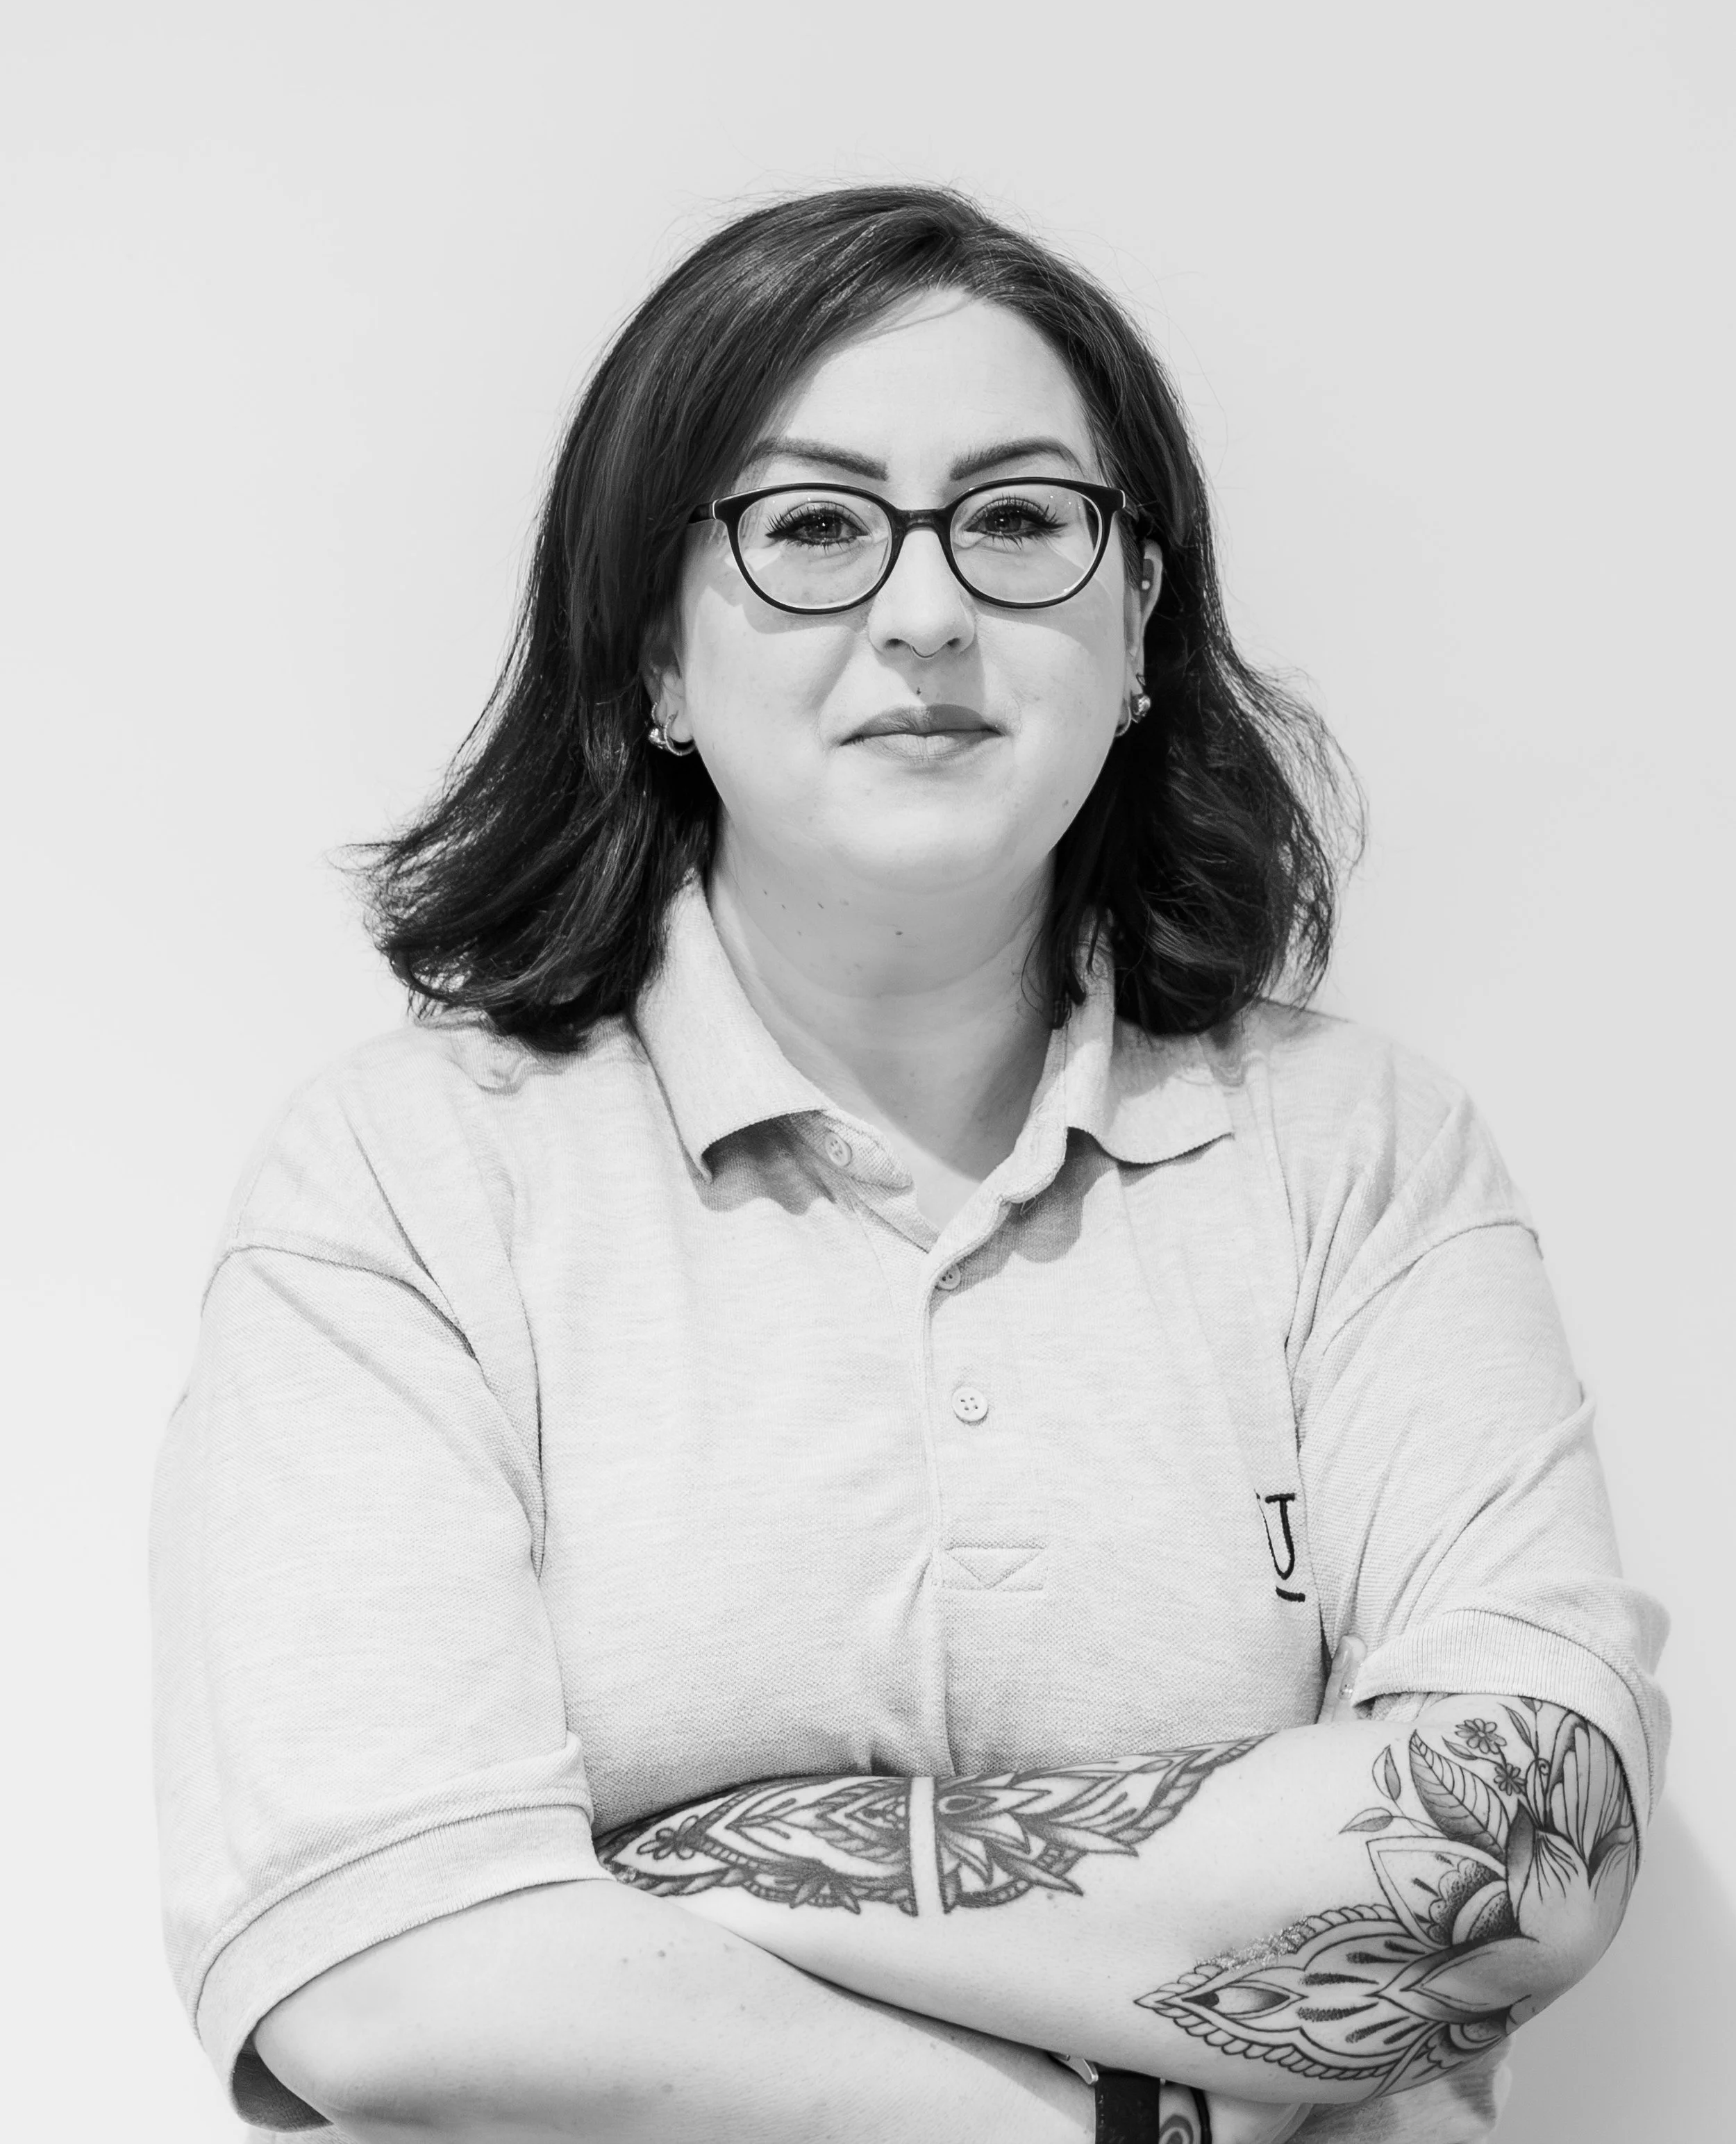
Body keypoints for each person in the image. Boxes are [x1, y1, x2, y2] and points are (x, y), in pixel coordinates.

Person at [150, 185, 1667, 2144]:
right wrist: (1138, 2122)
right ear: (654, 664)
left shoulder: (1362, 1154)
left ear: (1136, 634)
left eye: (1022, 518)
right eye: (809, 527)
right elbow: (380, 1980)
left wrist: (667, 1874)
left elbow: (1525, 1838)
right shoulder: (402, 1181)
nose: (928, 609)